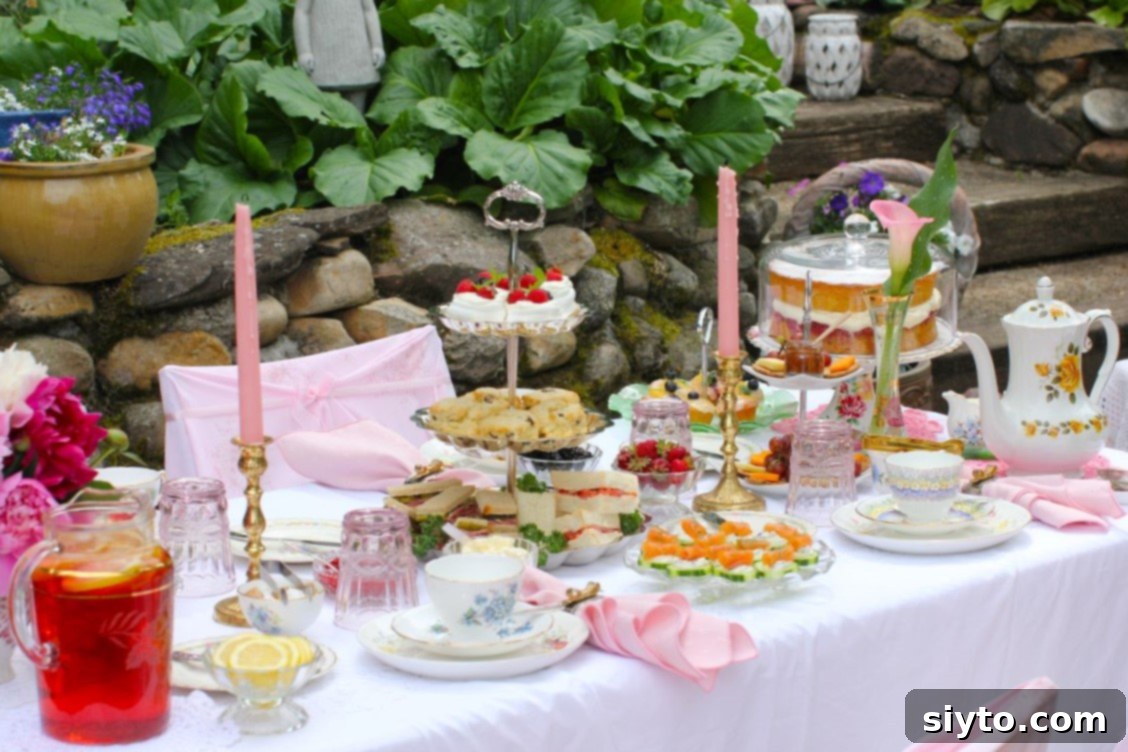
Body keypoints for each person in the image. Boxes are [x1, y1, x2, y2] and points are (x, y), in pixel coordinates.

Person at [293, 0, 385, 112]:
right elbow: (302, 12)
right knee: (325, 111)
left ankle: (357, 127)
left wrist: (377, 46)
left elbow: (369, 10)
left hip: (357, 55)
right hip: (324, 57)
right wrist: (304, 52)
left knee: (356, 111)